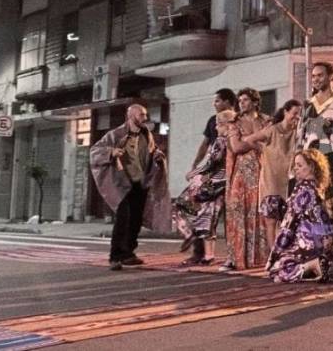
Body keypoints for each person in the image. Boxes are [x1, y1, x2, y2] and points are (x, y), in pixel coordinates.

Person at [90, 104, 170, 271]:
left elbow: (151, 151)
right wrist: (111, 152)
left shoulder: (146, 135)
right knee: (123, 218)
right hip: (122, 184)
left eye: (145, 115)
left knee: (136, 219)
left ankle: (128, 253)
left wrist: (156, 155)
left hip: (140, 183)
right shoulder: (116, 134)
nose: (145, 118)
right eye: (141, 115)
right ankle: (115, 256)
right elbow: (95, 151)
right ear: (131, 115)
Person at [266, 148, 333, 283]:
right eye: (295, 165)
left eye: (300, 165)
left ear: (311, 167)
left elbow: (289, 222)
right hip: (327, 244)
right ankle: (316, 265)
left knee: (277, 271)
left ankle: (311, 264)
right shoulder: (317, 187)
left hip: (311, 243)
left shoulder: (302, 189)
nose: (296, 169)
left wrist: (275, 253)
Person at [240, 99, 303, 251]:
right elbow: (249, 139)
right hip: (271, 181)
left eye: (299, 115)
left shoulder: (298, 133)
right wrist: (263, 150)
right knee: (271, 222)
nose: (297, 118)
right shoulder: (272, 130)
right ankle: (273, 256)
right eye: (294, 114)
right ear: (285, 112)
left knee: (286, 222)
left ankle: (284, 253)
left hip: (288, 182)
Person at [173, 109, 234, 266]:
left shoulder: (221, 141)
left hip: (211, 185)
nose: (216, 128)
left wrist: (194, 173)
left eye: (219, 124)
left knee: (180, 205)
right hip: (223, 185)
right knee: (210, 219)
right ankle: (208, 256)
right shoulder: (234, 139)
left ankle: (189, 234)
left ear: (227, 124)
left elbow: (211, 162)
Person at [297, 62, 333, 216]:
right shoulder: (307, 105)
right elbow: (300, 136)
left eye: (320, 75)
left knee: (332, 209)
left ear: (331, 77)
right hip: (310, 164)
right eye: (313, 76)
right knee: (310, 207)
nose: (316, 79)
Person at [221, 87, 270, 271]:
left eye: (245, 100)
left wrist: (248, 141)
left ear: (255, 102)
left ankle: (261, 258)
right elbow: (236, 147)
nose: (242, 103)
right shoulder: (235, 122)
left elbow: (270, 143)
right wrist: (256, 142)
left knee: (260, 213)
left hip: (262, 171)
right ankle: (236, 257)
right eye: (240, 100)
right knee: (238, 212)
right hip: (241, 173)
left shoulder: (266, 120)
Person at [191, 89, 237, 169]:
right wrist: (195, 163)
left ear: (226, 102)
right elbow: (205, 144)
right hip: (215, 163)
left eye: (217, 101)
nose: (214, 104)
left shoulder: (240, 120)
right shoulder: (212, 120)